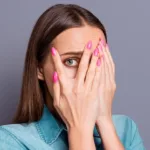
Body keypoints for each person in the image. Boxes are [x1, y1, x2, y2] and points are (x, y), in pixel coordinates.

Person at [0, 3, 146, 150]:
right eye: (71, 61)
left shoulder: (126, 130)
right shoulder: (9, 140)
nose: (87, 73)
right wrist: (80, 128)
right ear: (40, 69)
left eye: (96, 60)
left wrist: (105, 123)